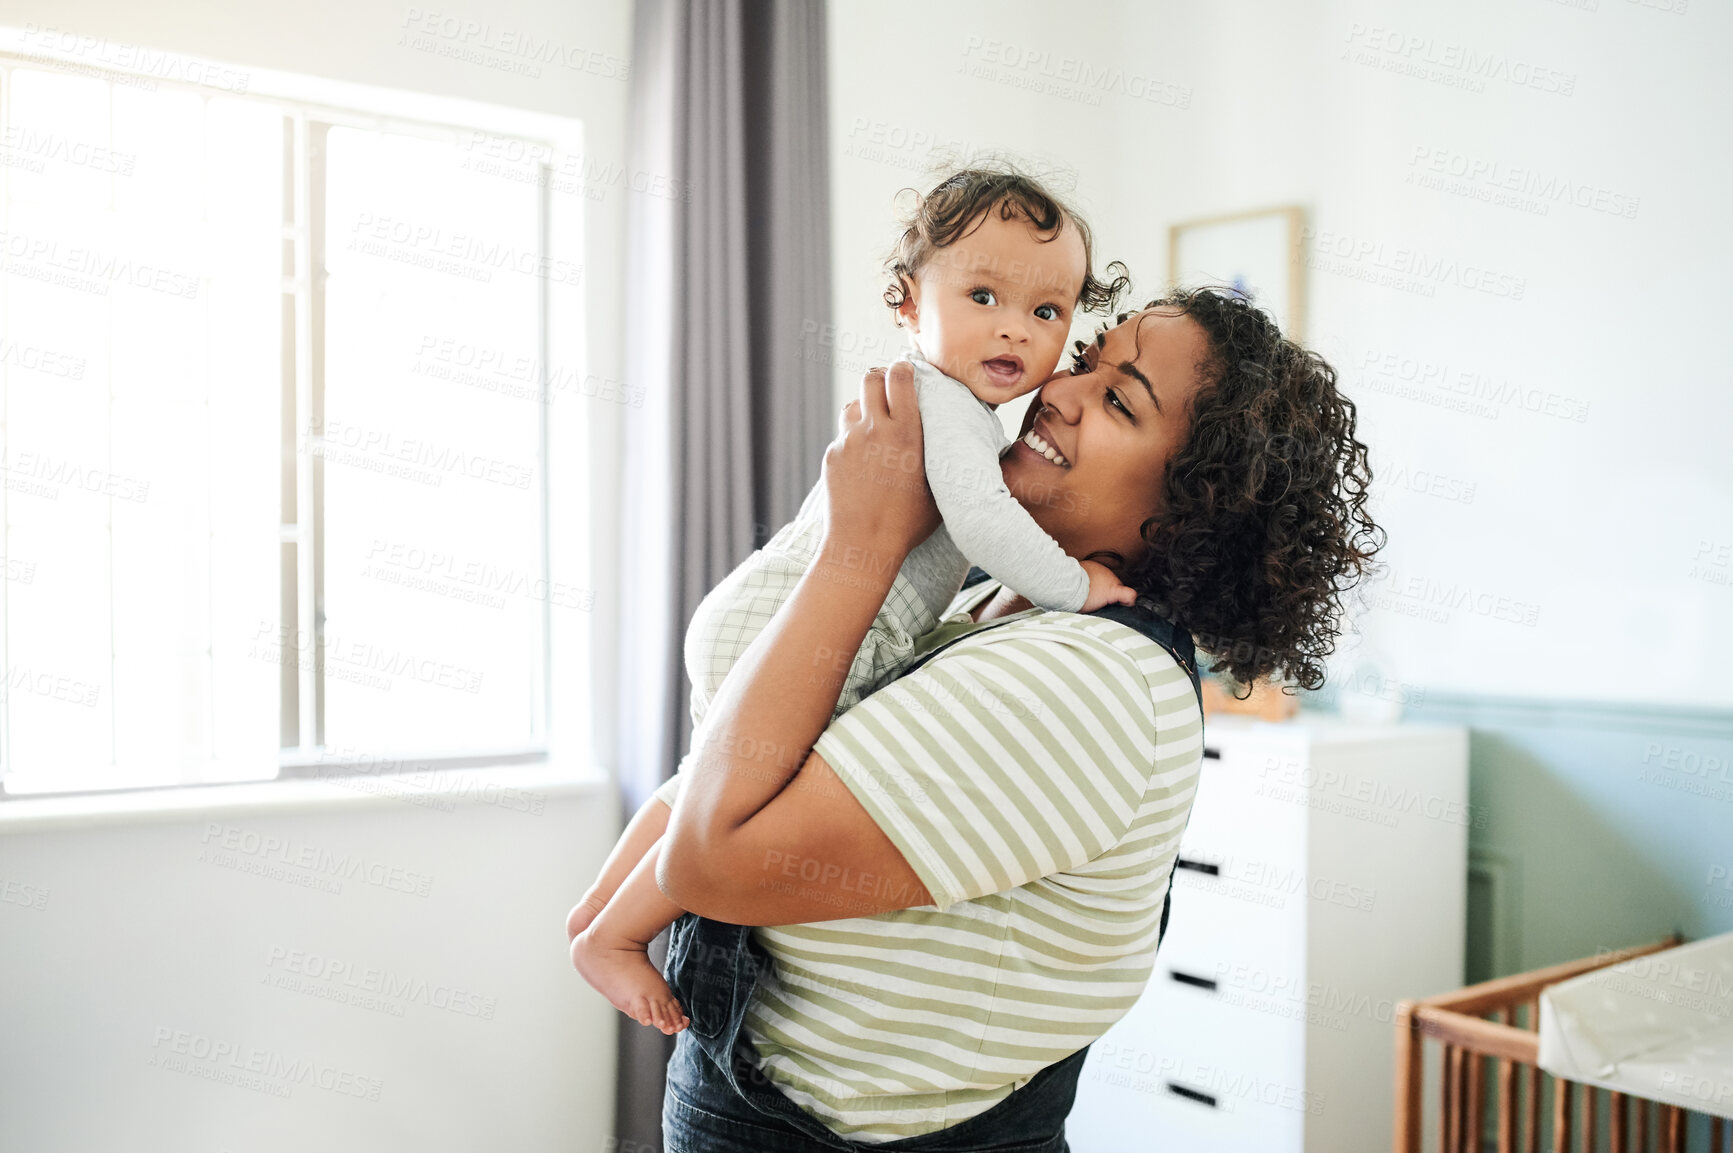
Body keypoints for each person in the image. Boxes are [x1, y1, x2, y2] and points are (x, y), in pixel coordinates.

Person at [592, 288, 1382, 1150]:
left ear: (1197, 510)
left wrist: (861, 543)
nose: (1060, 390)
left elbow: (712, 864)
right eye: (1086, 360)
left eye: (1119, 400)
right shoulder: (984, 599)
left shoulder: (1088, 682)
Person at [568, 166, 1141, 1034]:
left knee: (702, 780)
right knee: (731, 811)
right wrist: (1077, 584)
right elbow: (983, 527)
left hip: (769, 612)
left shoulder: (944, 404)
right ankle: (616, 934)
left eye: (1046, 312)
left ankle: (596, 923)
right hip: (811, 631)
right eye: (983, 294)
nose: (1014, 330)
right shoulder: (942, 407)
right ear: (908, 304)